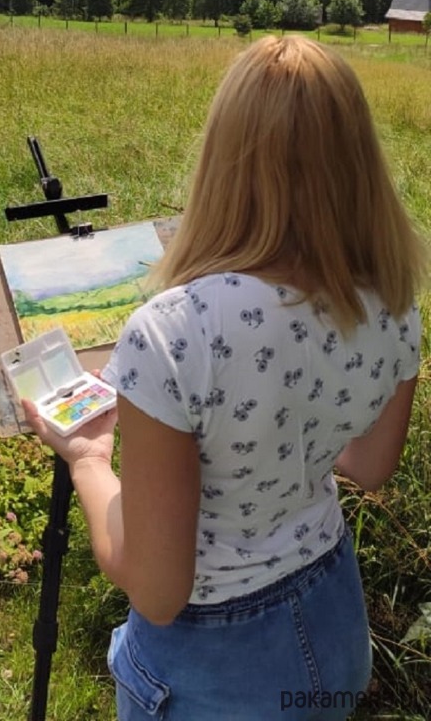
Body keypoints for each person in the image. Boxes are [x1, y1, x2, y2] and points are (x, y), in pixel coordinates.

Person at [22, 35, 427, 721]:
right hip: (333, 616)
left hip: (214, 668)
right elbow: (371, 464)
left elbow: (157, 591)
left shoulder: (173, 333)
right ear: (358, 161)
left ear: (225, 160)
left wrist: (88, 459)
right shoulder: (392, 301)